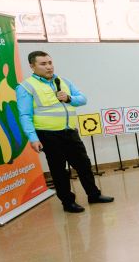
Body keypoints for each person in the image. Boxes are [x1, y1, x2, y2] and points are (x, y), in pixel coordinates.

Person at [16, 51, 114, 213]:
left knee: (84, 165)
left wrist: (69, 98)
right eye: (43, 64)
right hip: (48, 134)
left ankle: (94, 195)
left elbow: (83, 99)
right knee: (59, 170)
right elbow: (25, 115)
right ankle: (68, 202)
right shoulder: (26, 87)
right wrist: (33, 138)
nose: (49, 67)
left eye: (50, 63)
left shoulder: (63, 81)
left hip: (70, 132)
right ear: (32, 66)